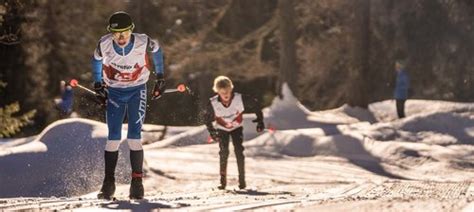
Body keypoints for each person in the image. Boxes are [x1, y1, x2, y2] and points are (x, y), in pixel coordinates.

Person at [91, 11, 165, 200]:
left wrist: (161, 77)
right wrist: (98, 84)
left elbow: (157, 50)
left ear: (131, 30)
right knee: (113, 138)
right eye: (116, 34)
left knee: (134, 137)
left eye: (124, 32)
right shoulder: (104, 43)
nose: (121, 37)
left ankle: (137, 184)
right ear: (111, 33)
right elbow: (96, 60)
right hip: (115, 92)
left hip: (137, 90)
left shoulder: (143, 41)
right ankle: (108, 184)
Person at [204, 76, 265, 190]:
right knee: (224, 152)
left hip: (237, 128)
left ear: (231, 89)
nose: (226, 95)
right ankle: (222, 182)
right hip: (222, 129)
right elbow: (206, 118)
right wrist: (212, 132)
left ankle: (242, 181)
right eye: (223, 93)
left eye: (228, 91)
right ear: (218, 92)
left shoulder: (239, 98)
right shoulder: (213, 103)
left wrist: (260, 120)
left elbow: (256, 104)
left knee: (239, 151)